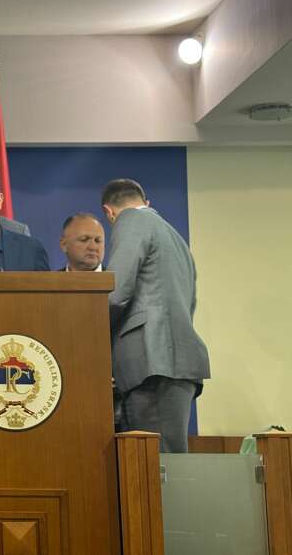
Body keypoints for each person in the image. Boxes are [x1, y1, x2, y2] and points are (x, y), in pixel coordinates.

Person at [101, 178, 210, 453]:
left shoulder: (130, 220)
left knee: (153, 466)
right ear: (147, 202)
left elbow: (116, 292)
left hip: (151, 362)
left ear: (109, 212)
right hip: (172, 362)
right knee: (166, 461)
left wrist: (91, 339)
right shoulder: (175, 238)